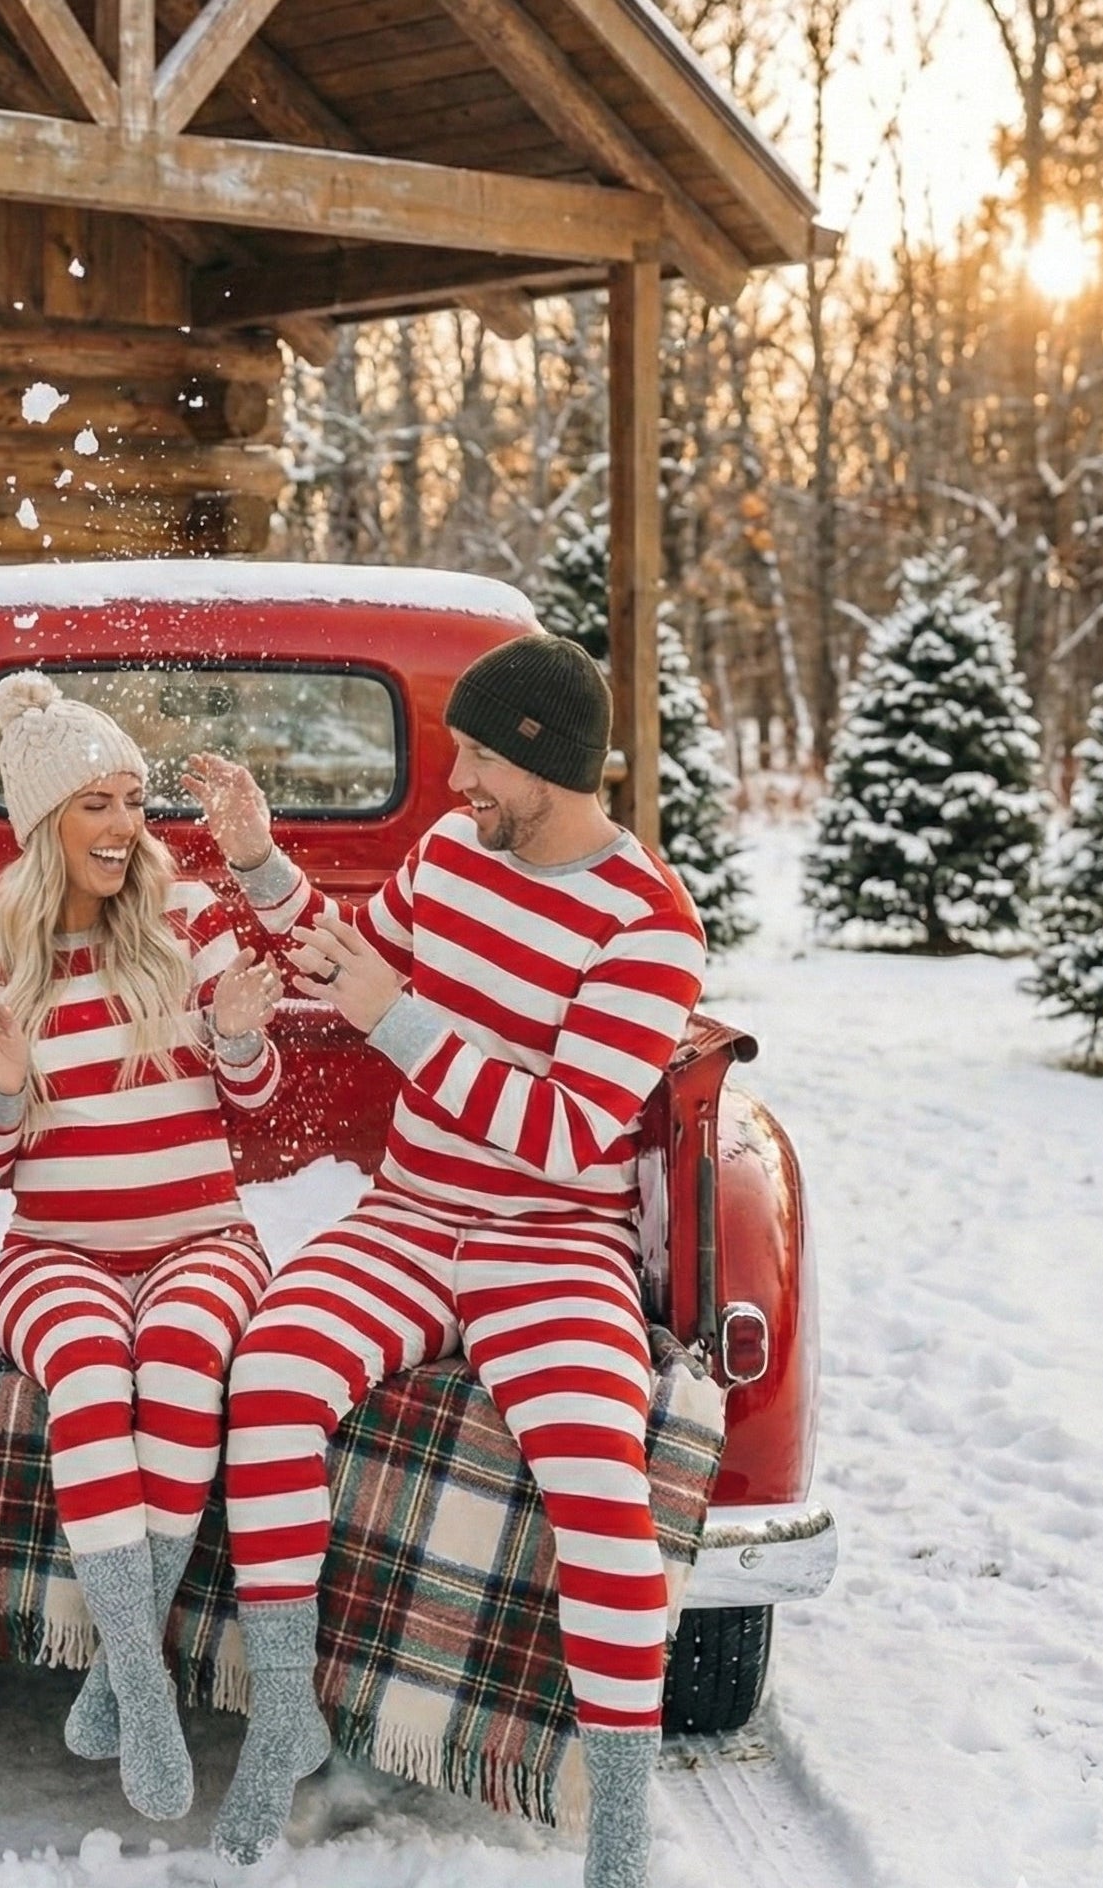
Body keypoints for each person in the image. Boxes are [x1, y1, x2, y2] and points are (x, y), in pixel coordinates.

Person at [184, 633, 706, 1885]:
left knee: (596, 1474)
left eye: (478, 755)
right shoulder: (449, 854)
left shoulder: (650, 925)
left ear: (543, 759)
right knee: (267, 1383)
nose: (457, 777)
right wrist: (260, 862)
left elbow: (569, 1131)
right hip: (408, 1214)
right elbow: (346, 955)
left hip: (549, 1238)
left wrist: (398, 1019)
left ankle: (619, 1832)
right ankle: (283, 1723)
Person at [0, 670, 283, 1823]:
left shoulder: (185, 923)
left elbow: (254, 1094)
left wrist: (237, 1039)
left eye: (134, 800)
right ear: (45, 824)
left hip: (204, 1237)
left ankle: (115, 1674)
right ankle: (147, 1690)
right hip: (55, 1253)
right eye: (98, 803)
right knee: (89, 1377)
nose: (127, 827)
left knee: (181, 1360)